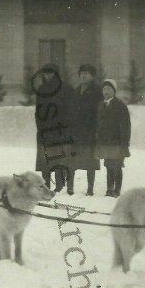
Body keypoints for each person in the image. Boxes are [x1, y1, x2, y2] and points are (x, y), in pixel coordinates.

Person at [34, 63, 72, 192]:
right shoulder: (41, 89)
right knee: (44, 160)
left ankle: (60, 184)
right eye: (45, 73)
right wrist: (39, 126)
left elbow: (70, 110)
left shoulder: (65, 89)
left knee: (58, 159)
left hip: (59, 130)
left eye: (50, 73)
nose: (47, 76)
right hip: (44, 130)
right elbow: (38, 111)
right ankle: (46, 185)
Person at [68, 63, 103, 196]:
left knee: (90, 162)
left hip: (89, 132)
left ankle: (90, 189)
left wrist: (95, 130)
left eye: (87, 73)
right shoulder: (76, 91)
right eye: (81, 73)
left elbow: (99, 113)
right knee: (72, 161)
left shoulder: (97, 91)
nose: (83, 75)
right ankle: (70, 187)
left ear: (92, 76)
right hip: (75, 132)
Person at [95, 79, 131, 197]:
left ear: (114, 91)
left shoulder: (120, 105)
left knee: (117, 166)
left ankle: (117, 190)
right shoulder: (101, 105)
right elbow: (99, 125)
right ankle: (109, 189)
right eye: (104, 89)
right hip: (105, 143)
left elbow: (125, 127)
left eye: (109, 89)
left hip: (117, 143)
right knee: (109, 166)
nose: (106, 91)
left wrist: (124, 145)